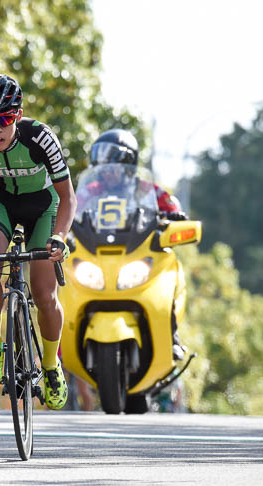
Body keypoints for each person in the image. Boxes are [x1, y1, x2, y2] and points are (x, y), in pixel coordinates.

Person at [0, 74, 77, 410]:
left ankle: (51, 366)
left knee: (43, 291)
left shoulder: (40, 137)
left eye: (4, 119)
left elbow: (68, 197)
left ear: (17, 115)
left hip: (44, 205)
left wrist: (59, 237)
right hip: (0, 200)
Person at [83, 128, 188, 360]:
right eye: (104, 169)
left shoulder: (145, 188)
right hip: (99, 256)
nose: (108, 174)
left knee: (168, 278)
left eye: (113, 168)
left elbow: (168, 203)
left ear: (128, 164)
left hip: (137, 254)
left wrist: (174, 214)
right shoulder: (92, 190)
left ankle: (172, 336)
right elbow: (73, 204)